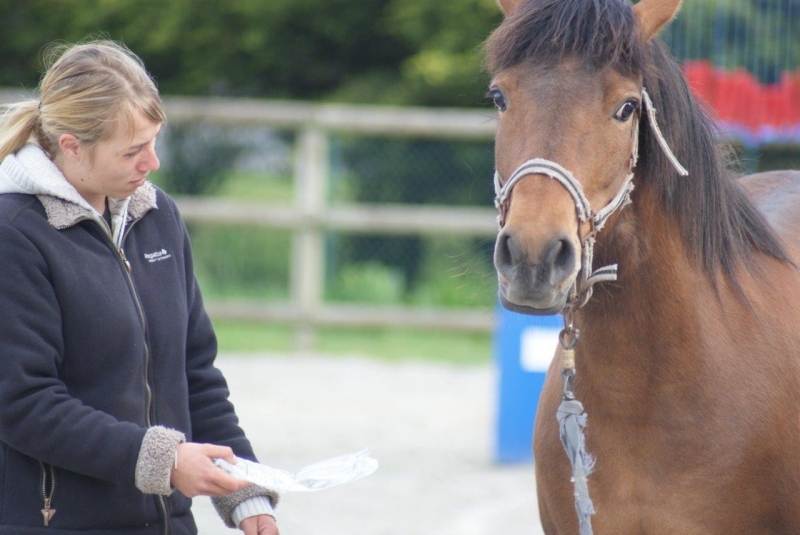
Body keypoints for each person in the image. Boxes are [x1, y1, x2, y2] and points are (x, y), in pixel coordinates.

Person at [0, 40, 279, 534]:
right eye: (132, 150)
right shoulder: (13, 234)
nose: (152, 162)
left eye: (154, 142)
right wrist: (165, 461)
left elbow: (194, 371)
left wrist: (245, 489)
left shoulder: (159, 216)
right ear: (71, 146)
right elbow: (22, 404)